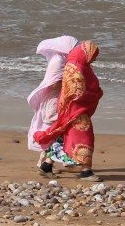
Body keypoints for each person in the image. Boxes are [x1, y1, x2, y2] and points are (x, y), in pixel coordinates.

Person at [33, 41, 104, 182]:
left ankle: (47, 165)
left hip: (73, 109)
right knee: (84, 139)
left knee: (65, 137)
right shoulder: (77, 68)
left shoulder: (78, 65)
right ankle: (86, 171)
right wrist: (95, 93)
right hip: (75, 110)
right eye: (94, 55)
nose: (95, 59)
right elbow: (76, 93)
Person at [26, 35, 79, 174]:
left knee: (57, 129)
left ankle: (57, 161)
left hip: (57, 96)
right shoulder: (59, 60)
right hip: (54, 96)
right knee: (57, 126)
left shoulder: (60, 58)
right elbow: (54, 82)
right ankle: (53, 162)